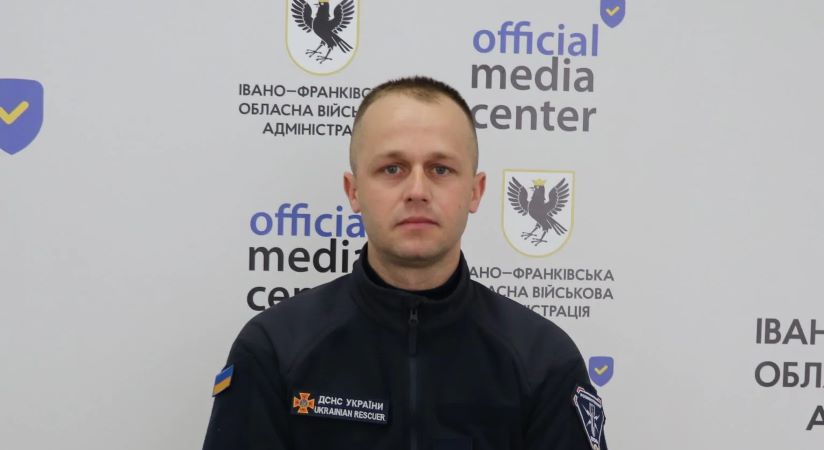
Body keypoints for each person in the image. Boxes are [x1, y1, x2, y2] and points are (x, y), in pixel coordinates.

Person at [202, 76, 608, 450]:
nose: (417, 190)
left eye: (440, 169)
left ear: (475, 191)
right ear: (354, 190)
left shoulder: (543, 361)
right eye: (392, 168)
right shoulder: (275, 350)